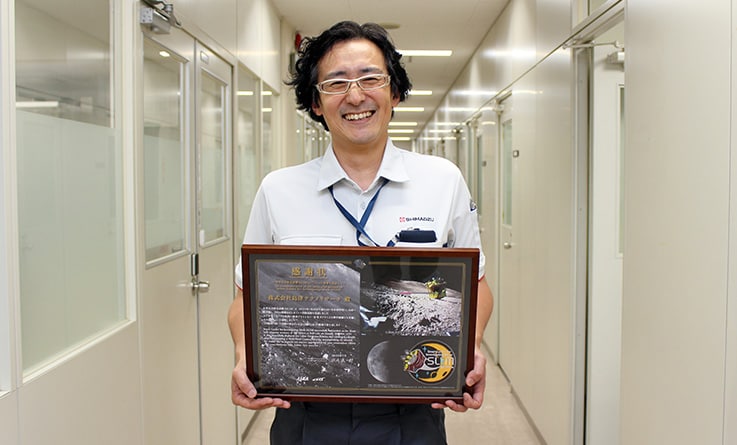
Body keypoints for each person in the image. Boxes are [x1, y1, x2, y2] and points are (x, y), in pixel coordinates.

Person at [228, 20, 494, 445]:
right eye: (335, 83)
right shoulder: (278, 190)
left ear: (395, 92)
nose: (355, 96)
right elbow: (245, 299)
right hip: (306, 409)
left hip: (410, 408)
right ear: (316, 103)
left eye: (370, 78)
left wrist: (471, 349)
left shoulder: (443, 180)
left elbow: (476, 285)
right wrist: (245, 356)